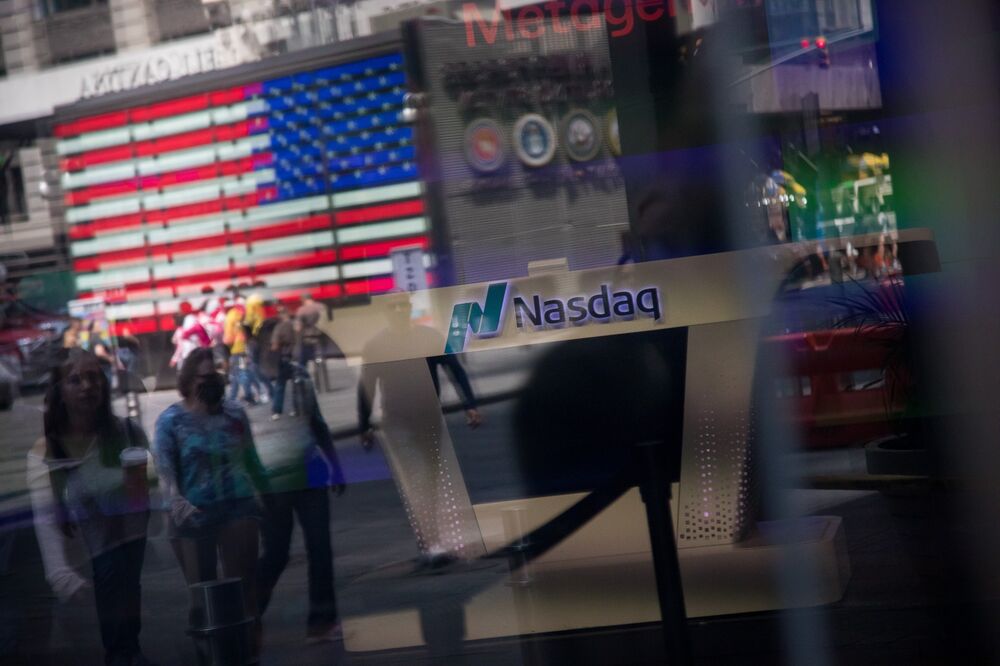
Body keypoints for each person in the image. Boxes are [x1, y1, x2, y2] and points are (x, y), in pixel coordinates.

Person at [28, 348, 154, 666]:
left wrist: (142, 491)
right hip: (84, 571)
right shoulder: (48, 449)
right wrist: (59, 573)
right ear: (60, 392)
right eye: (75, 380)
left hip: (129, 548)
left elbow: (149, 493)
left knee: (128, 619)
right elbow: (45, 516)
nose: (87, 385)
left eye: (93, 376)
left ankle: (130, 653)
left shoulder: (128, 432)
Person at [152, 348, 271, 656]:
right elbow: (165, 472)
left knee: (242, 586)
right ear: (189, 381)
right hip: (192, 514)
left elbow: (251, 458)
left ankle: (245, 648)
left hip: (237, 505)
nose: (213, 382)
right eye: (205, 377)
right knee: (202, 595)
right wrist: (176, 503)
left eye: (215, 375)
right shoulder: (171, 421)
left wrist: (268, 495)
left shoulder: (234, 413)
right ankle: (208, 651)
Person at [357, 294, 484, 563]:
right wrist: (364, 424)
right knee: (418, 477)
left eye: (404, 305)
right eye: (394, 306)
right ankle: (432, 544)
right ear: (386, 312)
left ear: (410, 309)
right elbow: (366, 385)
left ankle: (430, 540)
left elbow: (454, 369)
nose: (400, 310)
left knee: (429, 480)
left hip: (429, 418)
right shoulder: (376, 345)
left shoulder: (429, 337)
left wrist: (470, 405)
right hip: (397, 421)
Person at [255, 365, 346, 644]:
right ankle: (248, 611)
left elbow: (316, 423)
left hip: (306, 474)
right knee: (278, 553)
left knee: (317, 548)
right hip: (275, 481)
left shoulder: (299, 379)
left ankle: (321, 621)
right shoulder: (244, 385)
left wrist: (335, 466)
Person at [269, 304, 297, 420]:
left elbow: (274, 346)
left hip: (285, 358)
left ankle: (277, 411)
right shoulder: (296, 324)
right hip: (297, 357)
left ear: (280, 315)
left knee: (280, 385)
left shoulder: (279, 328)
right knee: (297, 384)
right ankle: (297, 408)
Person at [295, 294, 324, 368]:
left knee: (303, 358)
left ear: (303, 300)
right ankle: (319, 360)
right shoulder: (321, 306)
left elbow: (298, 328)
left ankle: (302, 371)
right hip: (322, 336)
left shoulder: (302, 310)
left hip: (308, 337)